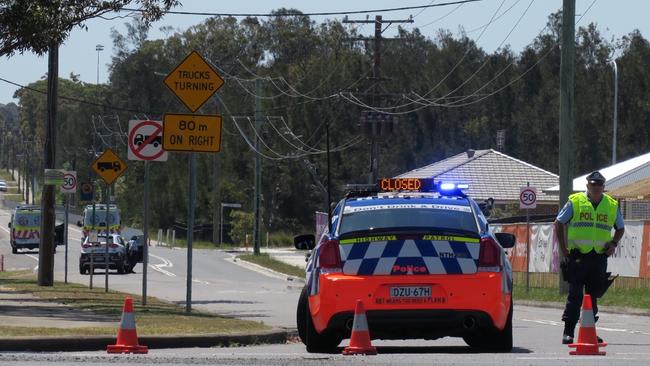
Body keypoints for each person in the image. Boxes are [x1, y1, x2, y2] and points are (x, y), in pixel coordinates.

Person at [554, 171, 625, 344]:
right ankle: (568, 332)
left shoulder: (611, 205)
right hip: (578, 256)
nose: (596, 188)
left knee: (593, 296)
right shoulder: (575, 201)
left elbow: (620, 228)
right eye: (593, 185)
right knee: (575, 295)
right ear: (587, 186)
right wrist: (563, 249)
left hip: (599, 257)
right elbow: (558, 222)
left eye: (599, 185)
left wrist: (614, 243)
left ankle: (589, 332)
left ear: (603, 187)